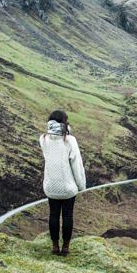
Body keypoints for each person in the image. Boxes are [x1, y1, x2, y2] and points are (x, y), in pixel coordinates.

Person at [39, 109, 87, 255]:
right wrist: (81, 186)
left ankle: (54, 246)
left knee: (53, 215)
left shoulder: (43, 139)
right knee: (67, 216)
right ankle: (65, 247)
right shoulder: (70, 140)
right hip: (67, 187)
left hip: (51, 186)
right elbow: (76, 165)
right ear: (64, 122)